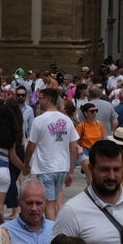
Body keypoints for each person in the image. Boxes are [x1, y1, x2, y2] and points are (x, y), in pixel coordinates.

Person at [23, 88, 78, 220]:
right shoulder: (67, 120)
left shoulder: (39, 120)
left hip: (46, 167)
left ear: (47, 99)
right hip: (62, 167)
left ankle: (51, 233)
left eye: (41, 98)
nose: (39, 101)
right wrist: (70, 171)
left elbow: (31, 146)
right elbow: (74, 147)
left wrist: (26, 164)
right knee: (54, 200)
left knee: (49, 203)